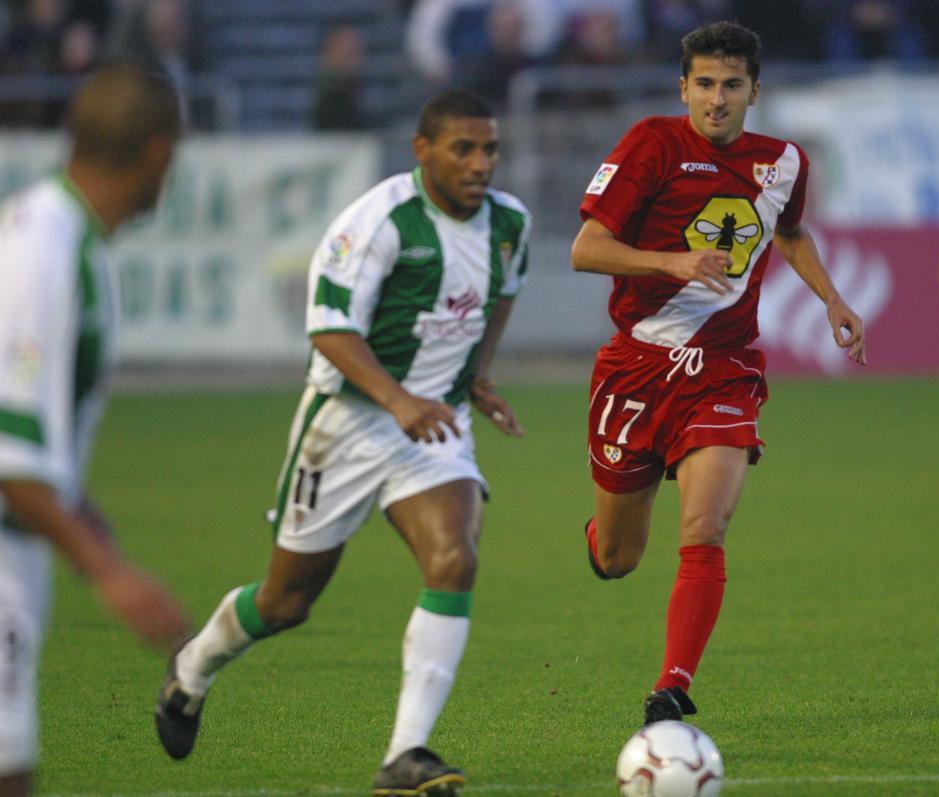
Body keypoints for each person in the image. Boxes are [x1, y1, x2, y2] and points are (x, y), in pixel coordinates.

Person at [154, 89, 530, 796]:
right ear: (423, 151)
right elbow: (328, 326)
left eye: (491, 149)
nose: (481, 163)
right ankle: (193, 668)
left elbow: (503, 291)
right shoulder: (380, 219)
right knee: (287, 600)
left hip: (435, 424)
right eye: (463, 148)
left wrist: (476, 375)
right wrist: (397, 399)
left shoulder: (510, 223)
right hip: (348, 423)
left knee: (455, 556)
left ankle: (405, 754)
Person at [571, 20, 866, 726]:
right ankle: (602, 534)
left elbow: (788, 232)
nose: (717, 99)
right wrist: (670, 262)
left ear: (755, 91)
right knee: (619, 556)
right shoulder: (652, 142)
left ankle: (671, 688)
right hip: (637, 365)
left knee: (705, 525)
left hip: (724, 369)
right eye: (704, 84)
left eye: (732, 85)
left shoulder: (785, 163)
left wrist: (833, 299)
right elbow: (587, 248)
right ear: (684, 87)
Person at [0, 63, 190, 797]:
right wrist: (107, 570)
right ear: (158, 154)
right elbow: (10, 453)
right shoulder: (44, 252)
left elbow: (39, 457)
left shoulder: (63, 238)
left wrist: (93, 530)